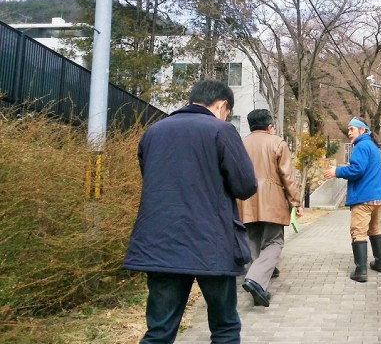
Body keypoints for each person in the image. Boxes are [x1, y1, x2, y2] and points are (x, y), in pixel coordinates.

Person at [124, 80, 258, 344]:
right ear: (222, 105)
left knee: (159, 330)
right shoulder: (222, 131)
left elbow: (150, 178)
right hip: (211, 243)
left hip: (161, 243)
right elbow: (245, 185)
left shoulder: (153, 132)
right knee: (224, 328)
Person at [236, 109, 303, 307]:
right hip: (271, 200)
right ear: (269, 126)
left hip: (245, 199)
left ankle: (257, 283)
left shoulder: (240, 144)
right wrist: (295, 202)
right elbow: (288, 176)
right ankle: (256, 280)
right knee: (274, 242)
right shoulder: (277, 143)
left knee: (252, 241)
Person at [323, 116, 381, 282]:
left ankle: (361, 271)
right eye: (348, 129)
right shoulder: (372, 146)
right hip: (377, 198)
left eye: (352, 129)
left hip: (363, 198)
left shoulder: (361, 145)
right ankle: (380, 263)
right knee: (374, 229)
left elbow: (357, 170)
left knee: (358, 232)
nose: (349, 132)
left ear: (362, 130)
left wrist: (337, 171)